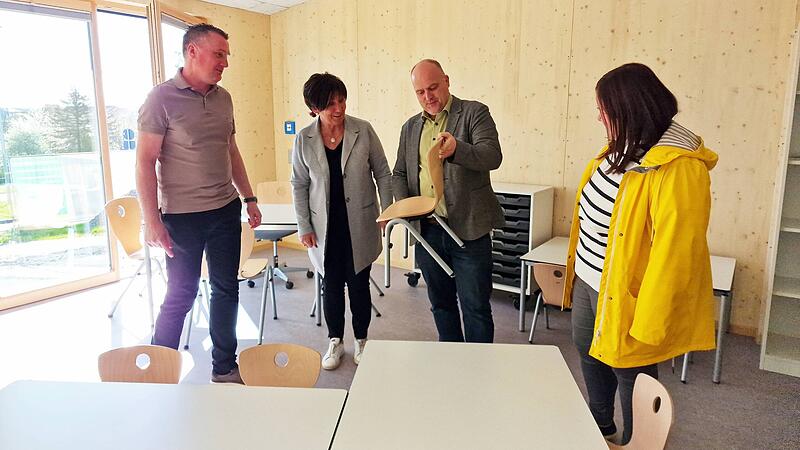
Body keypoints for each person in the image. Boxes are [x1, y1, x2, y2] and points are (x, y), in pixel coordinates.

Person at [563, 63, 717, 444]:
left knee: (632, 374)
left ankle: (638, 442)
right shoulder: (622, 146)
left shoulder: (679, 169)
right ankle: (600, 427)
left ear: (630, 109)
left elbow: (675, 256)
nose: (599, 117)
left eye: (605, 110)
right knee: (589, 353)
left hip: (628, 295)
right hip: (589, 277)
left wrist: (649, 325)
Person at [136, 24, 261, 384]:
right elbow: (145, 161)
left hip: (224, 210)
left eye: (227, 55)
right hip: (180, 217)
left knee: (227, 288)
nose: (225, 62)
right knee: (181, 293)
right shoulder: (160, 99)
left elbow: (231, 149)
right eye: (219, 53)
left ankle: (224, 366)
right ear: (192, 51)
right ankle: (160, 371)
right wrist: (152, 220)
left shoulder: (224, 98)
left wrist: (249, 196)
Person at [392, 59, 504, 343]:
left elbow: (492, 156)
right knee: (440, 305)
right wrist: (407, 210)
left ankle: (479, 370)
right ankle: (450, 364)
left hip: (468, 230)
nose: (428, 97)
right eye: (420, 92)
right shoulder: (409, 128)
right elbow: (400, 173)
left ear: (447, 81)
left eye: (433, 87)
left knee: (475, 307)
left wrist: (458, 149)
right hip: (428, 230)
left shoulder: (474, 112)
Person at [291, 73, 393, 370]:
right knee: (331, 286)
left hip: (360, 222)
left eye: (341, 100)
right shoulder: (304, 139)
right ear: (314, 108)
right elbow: (298, 184)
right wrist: (304, 226)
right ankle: (335, 340)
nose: (339, 108)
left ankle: (362, 339)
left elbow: (383, 173)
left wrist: (387, 210)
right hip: (324, 228)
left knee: (359, 284)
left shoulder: (363, 130)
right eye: (330, 104)